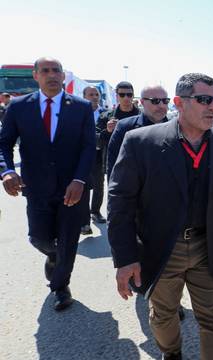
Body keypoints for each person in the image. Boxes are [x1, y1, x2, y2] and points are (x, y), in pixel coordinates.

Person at [108, 73, 213, 360]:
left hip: (209, 247)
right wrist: (125, 258)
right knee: (163, 316)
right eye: (203, 100)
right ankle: (171, 354)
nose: (212, 106)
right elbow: (120, 202)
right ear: (179, 103)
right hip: (162, 247)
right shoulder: (141, 142)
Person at [0, 57, 96, 311]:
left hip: (71, 189)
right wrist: (7, 170)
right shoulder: (19, 107)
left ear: (63, 76)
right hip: (36, 188)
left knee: (68, 240)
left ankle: (60, 286)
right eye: (45, 71)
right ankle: (53, 255)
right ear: (36, 75)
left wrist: (79, 179)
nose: (52, 75)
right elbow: (4, 144)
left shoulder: (81, 107)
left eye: (56, 71)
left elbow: (88, 147)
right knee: (39, 238)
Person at [106, 85, 170, 179]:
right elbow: (114, 164)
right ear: (142, 102)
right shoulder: (125, 127)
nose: (161, 105)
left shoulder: (177, 128)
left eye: (165, 101)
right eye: (155, 101)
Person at [97, 81, 140, 178]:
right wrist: (107, 131)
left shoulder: (142, 116)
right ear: (116, 96)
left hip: (138, 166)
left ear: (133, 96)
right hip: (114, 165)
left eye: (129, 95)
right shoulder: (105, 117)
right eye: (122, 95)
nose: (126, 98)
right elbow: (97, 142)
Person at [79, 86, 106, 235]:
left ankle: (95, 211)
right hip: (82, 155)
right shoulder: (78, 112)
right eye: (91, 94)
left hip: (98, 155)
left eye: (96, 94)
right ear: (84, 96)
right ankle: (84, 222)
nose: (94, 97)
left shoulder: (105, 113)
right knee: (83, 186)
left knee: (98, 185)